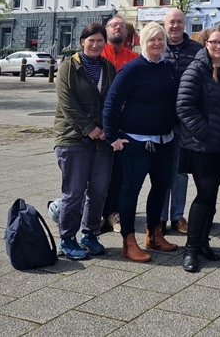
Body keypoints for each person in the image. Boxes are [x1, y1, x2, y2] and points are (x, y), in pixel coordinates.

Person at [102, 21, 179, 263]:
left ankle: (154, 234)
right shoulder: (132, 69)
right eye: (152, 39)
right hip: (136, 142)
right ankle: (128, 241)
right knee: (130, 191)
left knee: (160, 188)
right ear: (142, 42)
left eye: (161, 39)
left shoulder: (169, 68)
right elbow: (111, 104)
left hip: (165, 140)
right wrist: (112, 137)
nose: (157, 43)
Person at [177, 26, 220, 272]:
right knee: (204, 196)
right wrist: (206, 132)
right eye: (215, 42)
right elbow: (184, 106)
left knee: (212, 195)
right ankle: (190, 250)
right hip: (201, 146)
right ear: (205, 43)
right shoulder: (197, 69)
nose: (219, 47)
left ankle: (203, 242)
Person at [54, 23, 116, 260]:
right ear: (82, 42)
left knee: (99, 190)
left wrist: (105, 130)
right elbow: (67, 103)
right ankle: (67, 237)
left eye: (100, 40)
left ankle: (89, 234)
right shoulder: (68, 67)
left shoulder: (108, 68)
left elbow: (112, 101)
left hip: (101, 139)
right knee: (74, 191)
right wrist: (90, 128)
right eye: (91, 40)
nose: (96, 44)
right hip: (73, 138)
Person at [159, 8, 203, 234]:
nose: (175, 26)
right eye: (171, 22)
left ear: (185, 24)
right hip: (158, 120)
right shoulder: (156, 45)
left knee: (180, 171)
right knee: (159, 171)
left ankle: (177, 216)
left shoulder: (197, 50)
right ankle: (159, 218)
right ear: (164, 25)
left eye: (179, 22)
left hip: (185, 122)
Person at [101, 16, 139, 233]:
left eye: (122, 26)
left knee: (120, 173)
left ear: (126, 33)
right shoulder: (98, 53)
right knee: (97, 172)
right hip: (99, 122)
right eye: (114, 25)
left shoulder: (133, 58)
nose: (118, 28)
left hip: (124, 124)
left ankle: (114, 212)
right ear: (106, 30)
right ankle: (97, 212)